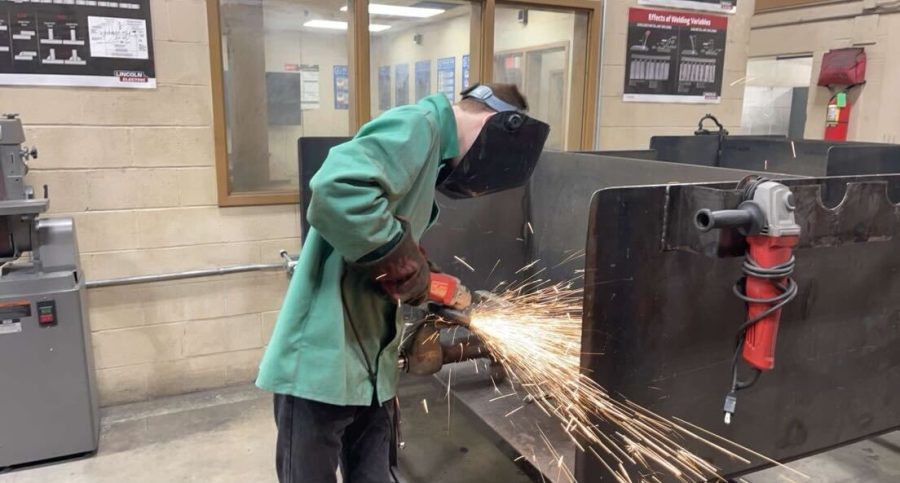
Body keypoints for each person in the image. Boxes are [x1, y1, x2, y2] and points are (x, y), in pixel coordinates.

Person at [256, 83, 550, 483]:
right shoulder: (419, 125)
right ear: (491, 123)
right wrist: (408, 270)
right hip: (320, 363)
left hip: (371, 372)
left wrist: (429, 274)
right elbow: (336, 190)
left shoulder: (428, 156)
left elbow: (390, 232)